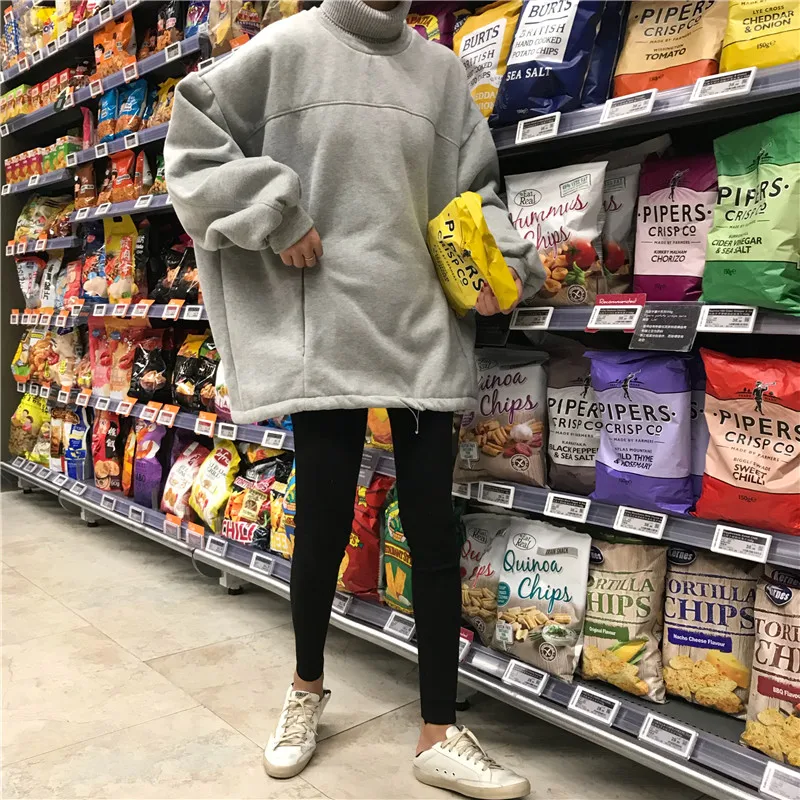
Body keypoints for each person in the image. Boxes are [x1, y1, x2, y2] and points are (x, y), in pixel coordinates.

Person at [165, 1, 543, 797]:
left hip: (421, 326)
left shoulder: (442, 74)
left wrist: (503, 264)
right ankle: (305, 690)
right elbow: (194, 133)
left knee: (434, 530)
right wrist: (276, 212)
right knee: (323, 524)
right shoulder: (289, 48)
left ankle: (438, 731)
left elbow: (477, 193)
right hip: (325, 329)